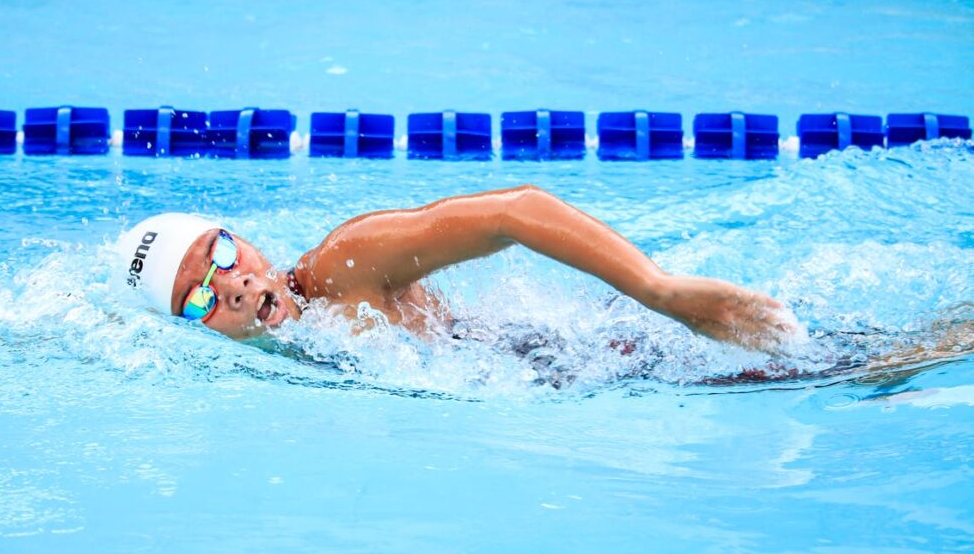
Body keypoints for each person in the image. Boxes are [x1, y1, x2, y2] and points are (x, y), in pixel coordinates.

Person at [117, 185, 799, 354]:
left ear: (247, 243)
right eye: (198, 297)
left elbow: (515, 211)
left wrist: (661, 292)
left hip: (579, 359)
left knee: (815, 362)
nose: (232, 286)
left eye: (223, 256)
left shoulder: (344, 265)